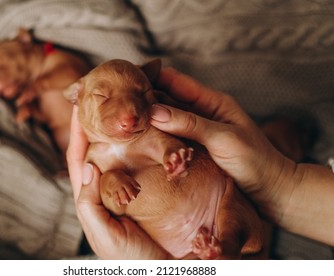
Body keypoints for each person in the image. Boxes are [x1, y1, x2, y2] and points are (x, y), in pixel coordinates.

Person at [66, 67, 334, 259]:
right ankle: (221, 253)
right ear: (76, 96)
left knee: (235, 215)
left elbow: (165, 145)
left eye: (142, 93)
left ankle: (225, 248)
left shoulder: (149, 130)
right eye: (102, 97)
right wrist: (113, 183)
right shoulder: (94, 160)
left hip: (220, 200)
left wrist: (172, 154)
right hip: (177, 248)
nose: (129, 113)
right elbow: (110, 198)